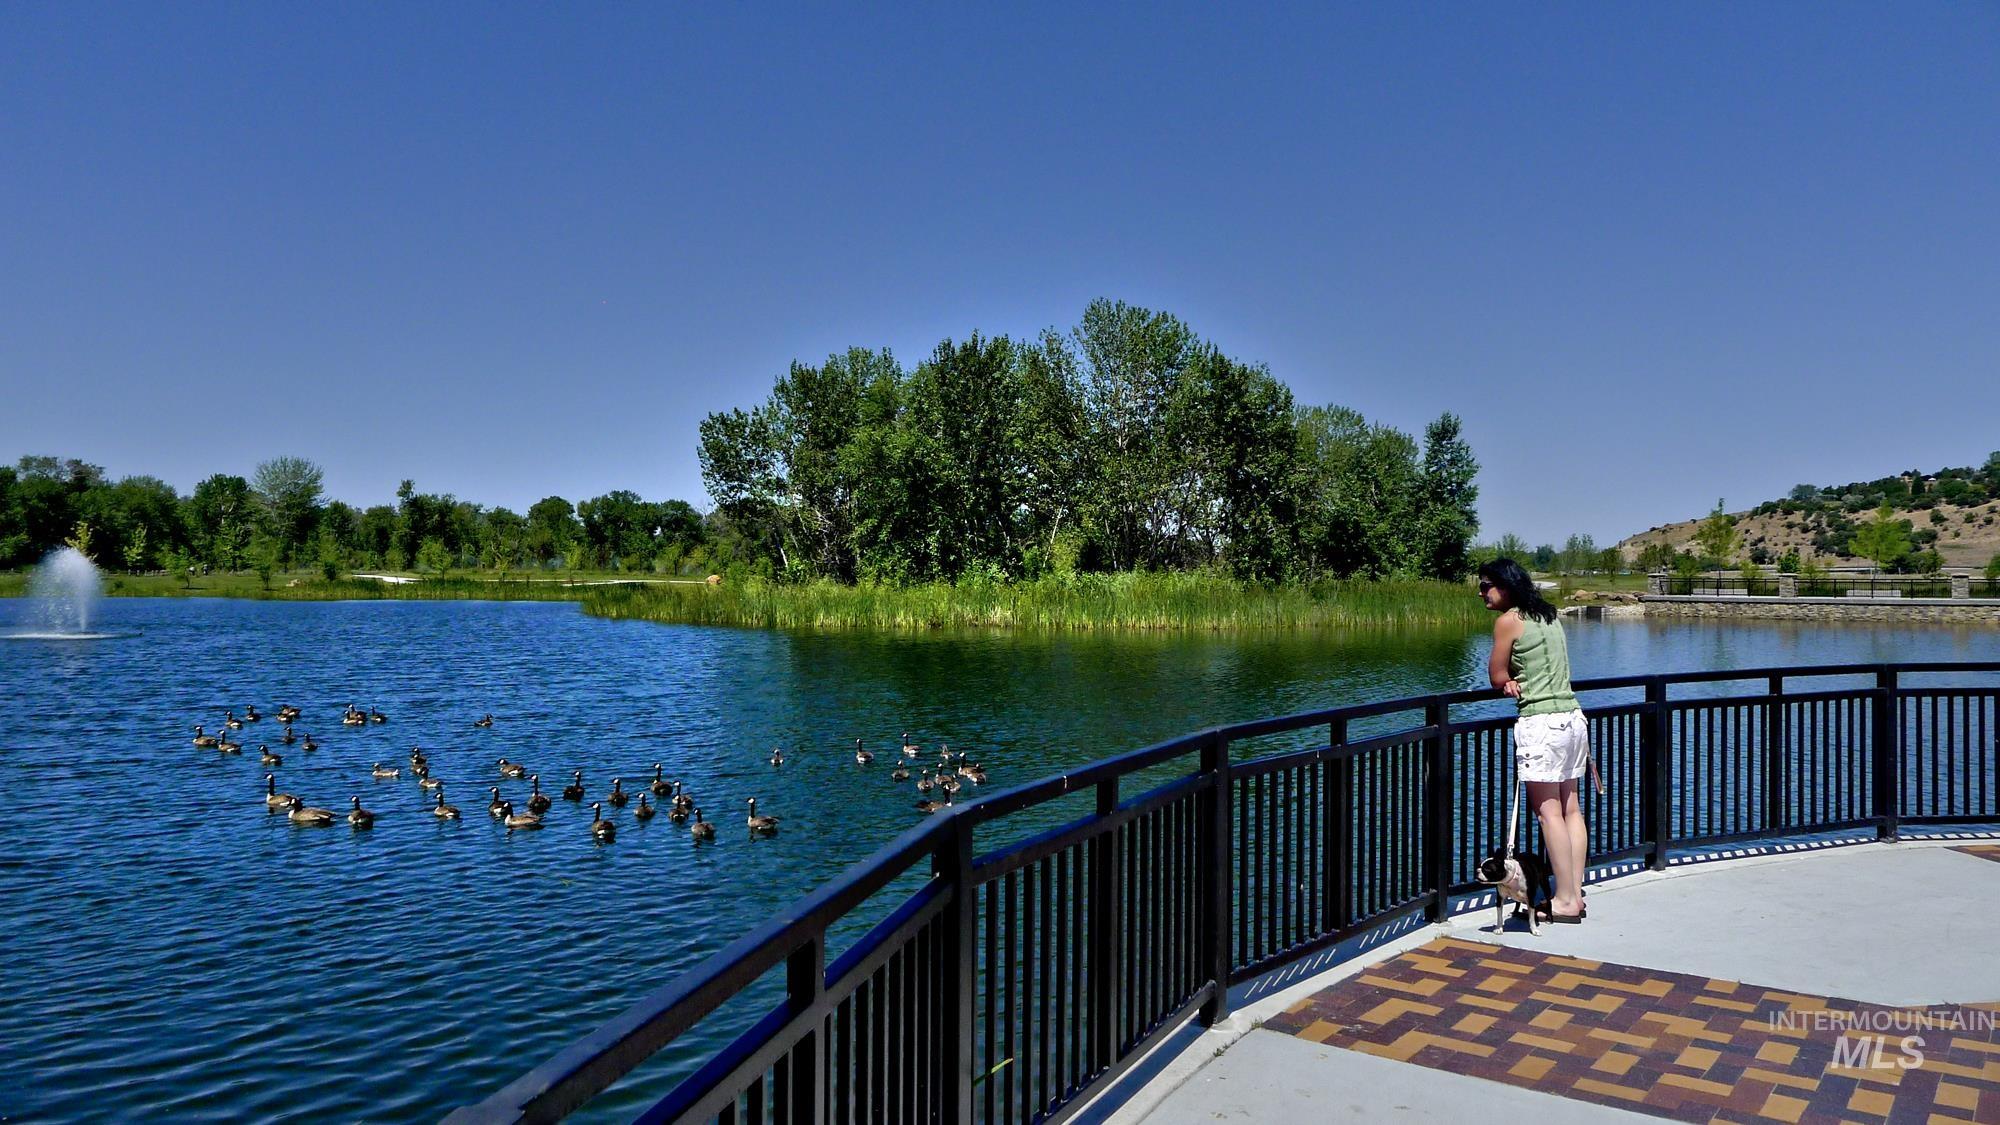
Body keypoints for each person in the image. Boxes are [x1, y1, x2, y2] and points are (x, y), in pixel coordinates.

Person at [1478, 557, 1589, 923]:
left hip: (1541, 722)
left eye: (1486, 586)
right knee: (1570, 809)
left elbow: (1496, 675)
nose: (1481, 593)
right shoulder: (1549, 615)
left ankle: (1566, 901)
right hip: (1572, 719)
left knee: (1548, 813)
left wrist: (1508, 679)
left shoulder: (1509, 621)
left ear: (1505, 587)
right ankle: (1575, 891)